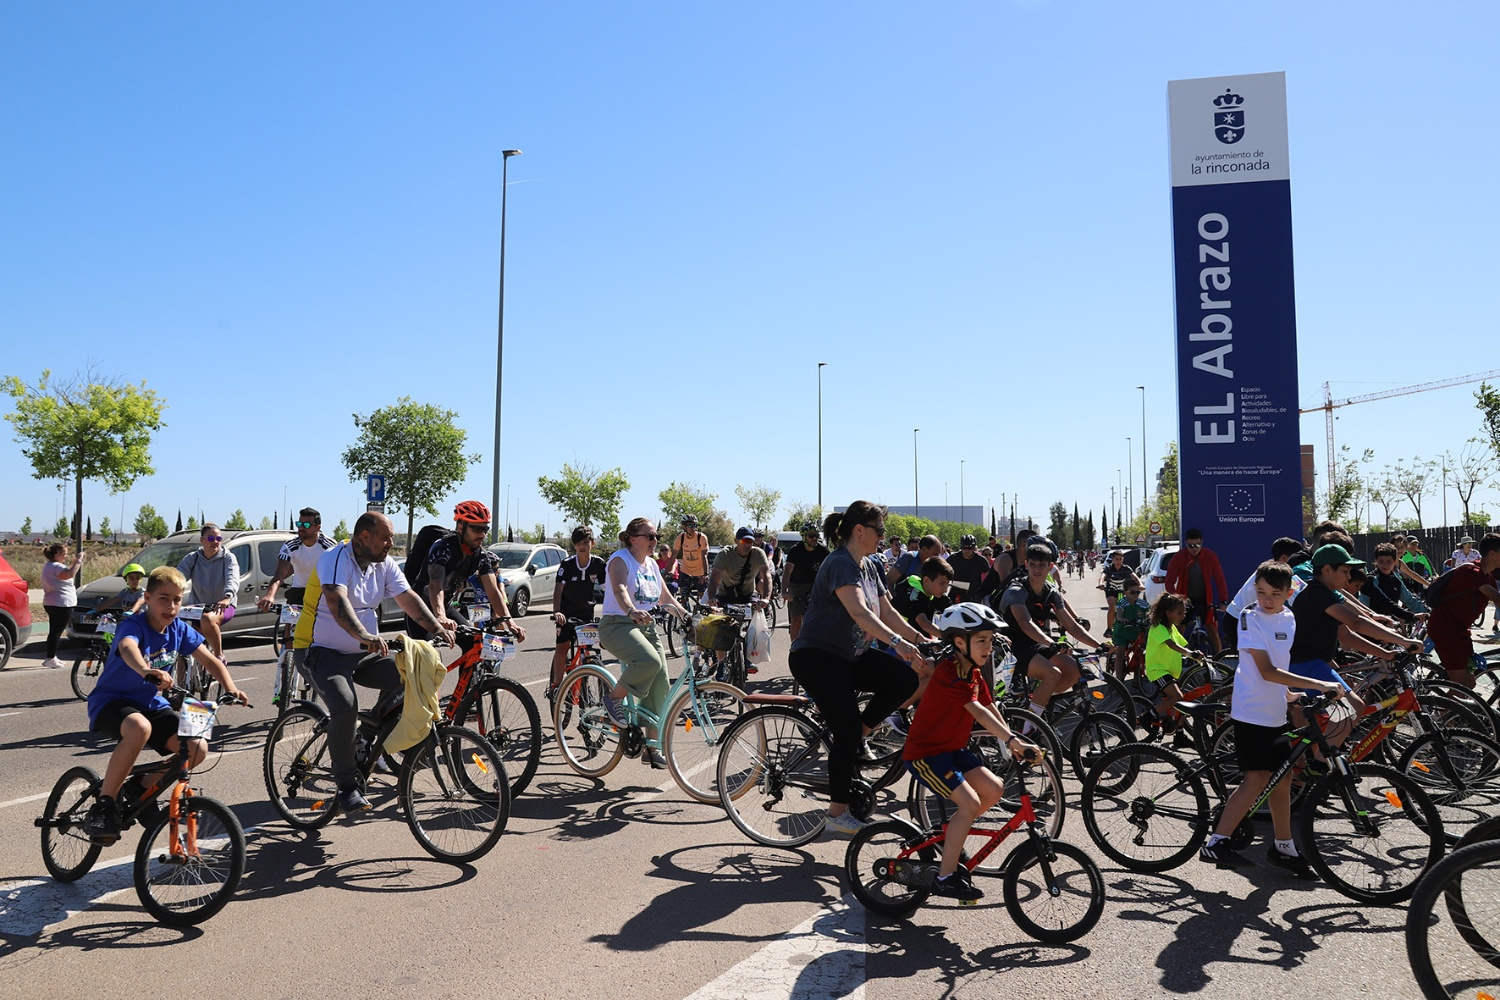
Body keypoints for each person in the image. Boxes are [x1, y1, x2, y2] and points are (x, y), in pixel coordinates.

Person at [788, 502, 928, 836]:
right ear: (859, 530)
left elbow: (887, 610)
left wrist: (921, 637)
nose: (884, 536)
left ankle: (858, 737)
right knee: (847, 728)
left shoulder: (870, 565)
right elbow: (860, 613)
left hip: (849, 655)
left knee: (905, 679)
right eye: (879, 530)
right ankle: (837, 814)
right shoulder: (840, 563)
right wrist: (898, 644)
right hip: (817, 657)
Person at [83, 566, 250, 842]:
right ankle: (105, 804)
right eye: (163, 598)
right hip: (111, 702)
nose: (171, 606)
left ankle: (141, 788)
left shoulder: (180, 630)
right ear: (147, 598)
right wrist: (146, 671)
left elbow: (209, 660)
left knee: (197, 748)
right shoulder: (133, 625)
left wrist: (231, 687)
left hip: (152, 704)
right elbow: (128, 648)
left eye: (177, 599)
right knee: (139, 728)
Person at [1199, 560, 1342, 874]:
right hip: (1250, 711)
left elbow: (1281, 664)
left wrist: (1290, 695)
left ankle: (1284, 846)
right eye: (1260, 591)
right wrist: (1319, 684)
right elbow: (1265, 670)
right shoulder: (1250, 618)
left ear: (1288, 593)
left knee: (1284, 779)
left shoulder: (1289, 617)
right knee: (1257, 778)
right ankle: (1216, 842)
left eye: (1274, 594)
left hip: (1275, 711)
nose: (1266, 599)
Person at [306, 512, 455, 813]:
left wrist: (435, 627)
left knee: (409, 675)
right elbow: (337, 602)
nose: (391, 543)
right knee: (345, 706)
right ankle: (346, 786)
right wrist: (364, 635)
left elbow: (408, 598)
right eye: (386, 537)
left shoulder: (383, 564)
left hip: (365, 654)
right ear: (365, 537)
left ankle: (368, 735)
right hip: (328, 655)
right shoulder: (335, 558)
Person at [902, 602, 1041, 901]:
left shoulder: (974, 674)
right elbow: (977, 711)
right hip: (925, 755)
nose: (989, 647)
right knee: (968, 804)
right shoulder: (948, 673)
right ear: (959, 642)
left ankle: (952, 837)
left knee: (994, 789)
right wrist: (1013, 741)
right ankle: (944, 876)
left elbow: (990, 706)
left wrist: (1012, 741)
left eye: (991, 640)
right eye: (981, 640)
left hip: (952, 750)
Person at [1288, 545, 1422, 729]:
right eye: (1345, 571)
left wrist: (1385, 653)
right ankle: (1323, 758)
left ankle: (1307, 755)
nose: (1349, 577)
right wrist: (1404, 641)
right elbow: (1356, 622)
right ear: (1327, 569)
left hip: (1307, 662)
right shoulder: (1317, 592)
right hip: (1307, 664)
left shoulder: (1323, 593)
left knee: (1318, 719)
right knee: (1355, 707)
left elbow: (1347, 635)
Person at [597, 518, 691, 768]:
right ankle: (613, 699)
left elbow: (664, 596)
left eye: (656, 536)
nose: (655, 541)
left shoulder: (650, 564)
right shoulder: (620, 559)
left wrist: (685, 615)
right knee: (648, 661)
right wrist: (630, 611)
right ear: (632, 538)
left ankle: (651, 747)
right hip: (618, 624)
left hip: (645, 627)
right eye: (650, 536)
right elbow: (619, 589)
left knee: (661, 683)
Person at [997, 541, 1107, 722]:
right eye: (1032, 564)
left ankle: (1037, 706)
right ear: (1026, 565)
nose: (1036, 569)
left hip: (1036, 642)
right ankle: (1030, 726)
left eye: (1041, 565)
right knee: (1053, 673)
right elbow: (1025, 624)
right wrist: (1053, 643)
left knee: (1073, 669)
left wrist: (1099, 644)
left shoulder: (1051, 592)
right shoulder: (1017, 590)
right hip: (1013, 645)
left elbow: (1071, 625)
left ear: (1051, 567)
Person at [411, 501, 525, 642]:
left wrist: (510, 623)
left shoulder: (480, 555)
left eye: (485, 529)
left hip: (445, 608)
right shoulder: (443, 548)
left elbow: (493, 592)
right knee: (429, 654)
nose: (482, 535)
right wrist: (440, 616)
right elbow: (436, 586)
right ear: (461, 526)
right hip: (420, 609)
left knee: (475, 642)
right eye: (476, 529)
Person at [1423, 532, 1500, 689]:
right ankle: (1441, 712)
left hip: (1460, 631)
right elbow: (1497, 599)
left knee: (1469, 684)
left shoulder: (1488, 576)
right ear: (1493, 554)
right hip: (1446, 630)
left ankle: (1453, 712)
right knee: (1460, 688)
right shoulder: (1472, 573)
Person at [1221, 537, 1307, 653]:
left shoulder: (1275, 572)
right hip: (1237, 620)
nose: (1297, 563)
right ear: (1283, 558)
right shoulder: (1271, 575)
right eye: (1294, 559)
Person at [550, 526, 607, 694]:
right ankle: (557, 686)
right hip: (566, 613)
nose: (582, 546)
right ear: (574, 546)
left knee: (588, 651)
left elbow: (606, 590)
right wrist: (557, 612)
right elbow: (558, 590)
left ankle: (585, 683)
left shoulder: (598, 564)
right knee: (562, 648)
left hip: (586, 613)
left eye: (585, 542)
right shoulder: (567, 564)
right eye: (578, 543)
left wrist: (611, 613)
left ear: (592, 543)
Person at [1142, 593, 1204, 740]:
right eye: (1179, 613)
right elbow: (1172, 644)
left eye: (1185, 612)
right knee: (1177, 697)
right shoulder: (1158, 628)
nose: (1183, 616)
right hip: (1158, 671)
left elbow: (1183, 645)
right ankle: (1148, 716)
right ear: (1168, 613)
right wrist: (1190, 654)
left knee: (1181, 702)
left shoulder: (1172, 628)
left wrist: (1197, 654)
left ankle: (1180, 736)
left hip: (1169, 671)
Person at [176, 523, 238, 660]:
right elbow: (177, 579)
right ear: (202, 540)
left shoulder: (228, 558)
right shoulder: (193, 558)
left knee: (208, 619)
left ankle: (219, 656)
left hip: (222, 605)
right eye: (211, 539)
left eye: (218, 539)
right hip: (198, 607)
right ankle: (181, 681)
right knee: (183, 652)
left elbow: (232, 578)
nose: (215, 542)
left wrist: (227, 597)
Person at [1163, 529, 1230, 654]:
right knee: (1179, 629)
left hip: (1205, 598)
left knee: (1212, 630)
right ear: (1185, 543)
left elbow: (1220, 579)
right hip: (1183, 598)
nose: (1194, 549)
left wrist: (1223, 600)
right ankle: (1178, 658)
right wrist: (1176, 598)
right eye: (1191, 545)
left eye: (1197, 545)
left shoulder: (1210, 556)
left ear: (1202, 542)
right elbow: (1169, 581)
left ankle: (1219, 662)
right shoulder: (1179, 557)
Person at [260, 507, 337, 610]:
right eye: (299, 524)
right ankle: (289, 626)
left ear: (317, 528)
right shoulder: (290, 546)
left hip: (321, 590)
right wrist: (270, 595)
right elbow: (279, 576)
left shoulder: (330, 547)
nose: (301, 528)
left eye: (306, 525)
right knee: (290, 616)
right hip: (299, 589)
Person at [783, 521, 830, 644]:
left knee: (820, 617)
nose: (814, 538)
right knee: (796, 618)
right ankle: (795, 647)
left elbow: (831, 570)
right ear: (804, 536)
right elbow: (787, 572)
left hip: (816, 586)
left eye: (816, 535)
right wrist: (784, 591)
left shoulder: (823, 551)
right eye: (811, 536)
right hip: (797, 586)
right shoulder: (795, 551)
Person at [41, 541, 85, 669]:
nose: (66, 556)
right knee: (56, 632)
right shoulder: (56, 567)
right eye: (65, 554)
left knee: (54, 631)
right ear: (58, 554)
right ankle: (50, 658)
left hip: (52, 602)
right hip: (61, 603)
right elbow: (70, 574)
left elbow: (66, 572)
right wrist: (79, 560)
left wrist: (74, 562)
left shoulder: (49, 566)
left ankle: (52, 656)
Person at [1360, 543, 1429, 624]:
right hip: (1372, 624)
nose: (1385, 565)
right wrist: (1411, 616)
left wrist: (1427, 612)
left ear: (1395, 561)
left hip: (1391, 623)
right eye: (1381, 561)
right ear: (1376, 561)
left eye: (1389, 561)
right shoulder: (1371, 580)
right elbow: (1386, 604)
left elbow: (1409, 600)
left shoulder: (1396, 579)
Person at [890, 557, 955, 639]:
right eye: (942, 584)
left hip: (915, 637)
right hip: (894, 639)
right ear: (926, 580)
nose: (945, 589)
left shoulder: (934, 592)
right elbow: (924, 624)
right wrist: (950, 637)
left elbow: (953, 611)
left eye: (947, 584)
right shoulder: (914, 596)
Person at [708, 527, 772, 608]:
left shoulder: (758, 553)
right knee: (716, 616)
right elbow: (714, 579)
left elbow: (766, 576)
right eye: (744, 541)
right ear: (736, 541)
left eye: (750, 541)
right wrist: (711, 598)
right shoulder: (724, 554)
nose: (747, 544)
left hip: (748, 595)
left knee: (757, 611)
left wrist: (766, 598)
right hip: (725, 595)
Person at [1109, 579, 1149, 679]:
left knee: (1139, 653)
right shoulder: (1123, 602)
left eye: (1138, 592)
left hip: (1136, 632)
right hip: (1122, 633)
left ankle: (1137, 679)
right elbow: (1119, 611)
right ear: (1125, 593)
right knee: (1120, 654)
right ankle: (1118, 680)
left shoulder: (1142, 603)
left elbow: (1150, 612)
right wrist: (1120, 618)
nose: (1136, 594)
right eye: (1132, 592)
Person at [672, 515, 711, 609]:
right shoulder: (680, 538)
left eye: (695, 525)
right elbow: (673, 556)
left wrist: (705, 573)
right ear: (684, 527)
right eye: (690, 525)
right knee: (683, 593)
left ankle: (704, 613)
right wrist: (665, 574)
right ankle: (686, 611)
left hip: (699, 571)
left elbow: (704, 556)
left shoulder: (701, 537)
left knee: (703, 596)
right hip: (686, 570)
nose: (693, 528)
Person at [1097, 550, 1135, 630]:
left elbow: (1134, 576)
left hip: (1121, 591)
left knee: (1123, 607)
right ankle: (1109, 629)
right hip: (1110, 591)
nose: (1119, 561)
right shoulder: (1109, 568)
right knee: (1112, 607)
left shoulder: (1126, 568)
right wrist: (1101, 583)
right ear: (1113, 559)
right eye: (1117, 559)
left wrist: (1140, 584)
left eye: (1120, 559)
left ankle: (1125, 626)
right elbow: (1103, 576)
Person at [946, 534, 989, 602]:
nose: (966, 550)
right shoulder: (953, 558)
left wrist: (983, 590)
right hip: (956, 593)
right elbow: (942, 572)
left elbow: (989, 575)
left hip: (973, 594)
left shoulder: (980, 560)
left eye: (969, 548)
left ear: (974, 548)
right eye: (964, 548)